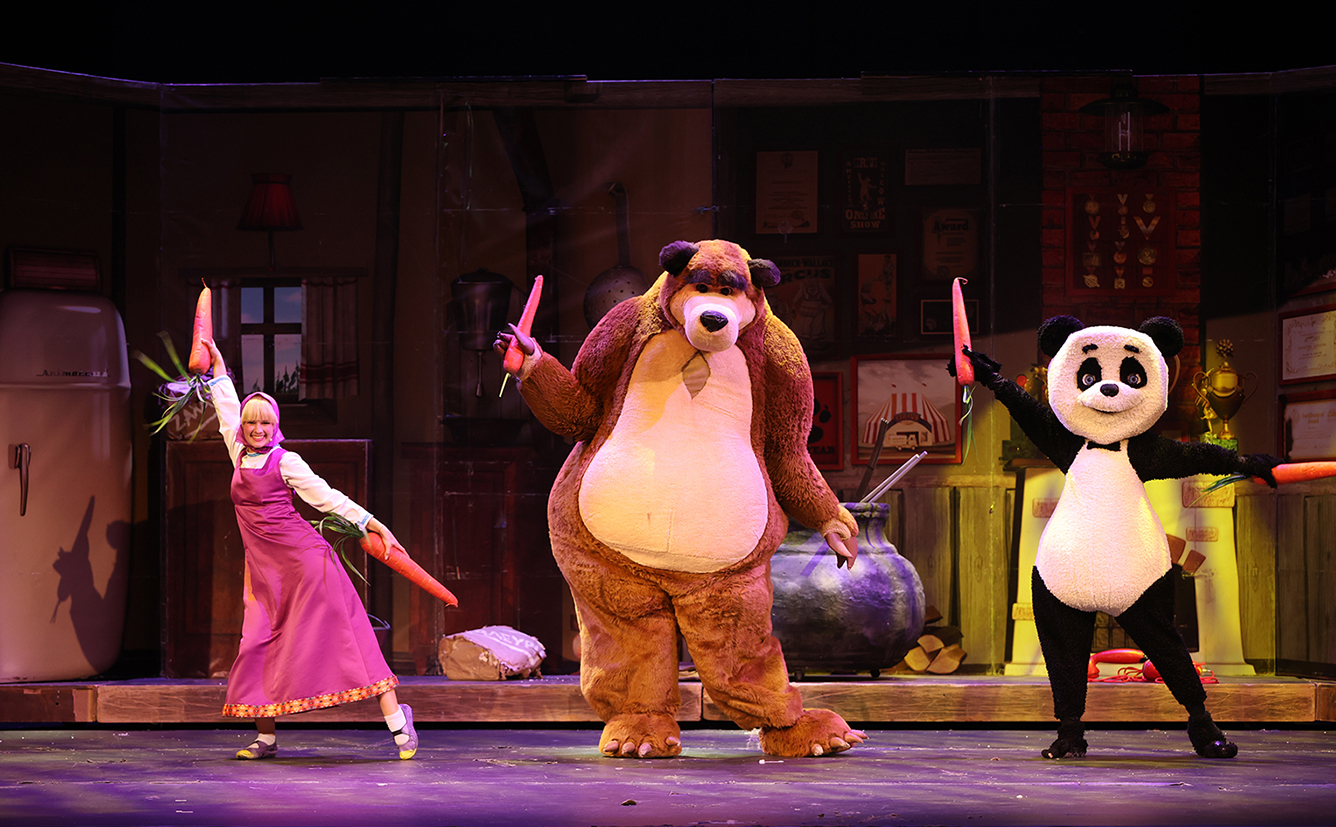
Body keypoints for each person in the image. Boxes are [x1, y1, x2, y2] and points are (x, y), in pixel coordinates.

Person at [203, 340, 417, 760]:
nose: (258, 429)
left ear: (276, 425)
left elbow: (328, 498)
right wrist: (218, 365)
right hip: (264, 574)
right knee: (257, 644)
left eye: (265, 423)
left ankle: (398, 722)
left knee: (348, 636)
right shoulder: (238, 452)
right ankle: (266, 739)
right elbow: (225, 405)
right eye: (251, 423)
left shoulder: (286, 461)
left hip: (307, 564)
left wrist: (374, 524)